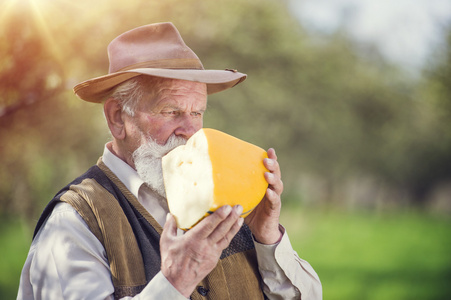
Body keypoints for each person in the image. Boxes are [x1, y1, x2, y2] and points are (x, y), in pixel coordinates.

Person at [17, 22, 322, 299]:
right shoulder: (73, 224)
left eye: (197, 113)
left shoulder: (228, 201)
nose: (190, 131)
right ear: (117, 118)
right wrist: (175, 281)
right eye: (171, 112)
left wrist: (266, 238)